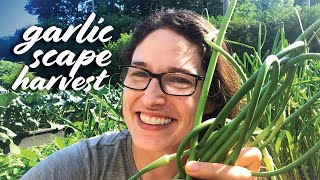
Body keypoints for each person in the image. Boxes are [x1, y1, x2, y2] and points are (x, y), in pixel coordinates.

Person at [22, 9, 262, 180]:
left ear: (211, 100)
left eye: (178, 79)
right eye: (139, 73)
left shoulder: (234, 169)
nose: (150, 98)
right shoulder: (84, 166)